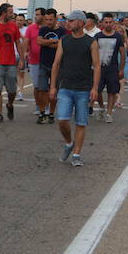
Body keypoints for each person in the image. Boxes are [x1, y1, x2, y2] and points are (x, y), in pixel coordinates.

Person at [50, 10, 100, 167]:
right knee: (62, 120)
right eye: (67, 20)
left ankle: (77, 154)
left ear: (80, 22)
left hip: (83, 88)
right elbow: (56, 64)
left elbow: (97, 66)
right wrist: (53, 86)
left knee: (80, 123)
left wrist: (95, 88)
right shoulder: (64, 40)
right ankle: (69, 143)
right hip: (65, 86)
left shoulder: (91, 42)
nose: (67, 23)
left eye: (71, 21)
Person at [0, 3, 24, 123]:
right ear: (3, 13)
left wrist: (22, 59)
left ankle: (10, 105)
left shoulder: (13, 26)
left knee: (12, 90)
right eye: (10, 12)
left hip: (11, 63)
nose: (12, 15)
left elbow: (18, 43)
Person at [36, 8, 66, 124]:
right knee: (42, 90)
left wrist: (46, 42)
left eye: (51, 19)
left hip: (57, 65)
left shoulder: (62, 31)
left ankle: (52, 113)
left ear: (56, 19)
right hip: (43, 64)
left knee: (54, 90)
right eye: (47, 19)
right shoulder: (43, 29)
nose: (49, 22)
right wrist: (53, 41)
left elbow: (61, 45)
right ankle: (42, 112)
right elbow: (39, 42)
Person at [94, 13, 125, 123]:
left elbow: (122, 53)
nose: (108, 24)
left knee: (112, 91)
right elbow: (93, 52)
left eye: (110, 22)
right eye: (106, 22)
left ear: (113, 23)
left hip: (112, 68)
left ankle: (109, 113)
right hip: (99, 68)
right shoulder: (97, 36)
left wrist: (121, 69)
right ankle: (102, 107)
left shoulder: (117, 36)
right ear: (102, 23)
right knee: (97, 91)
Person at [23, 7, 44, 116]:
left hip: (46, 62)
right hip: (34, 62)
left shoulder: (47, 28)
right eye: (35, 14)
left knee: (45, 86)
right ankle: (38, 105)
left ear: (44, 16)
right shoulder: (31, 28)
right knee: (36, 86)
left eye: (38, 14)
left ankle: (46, 106)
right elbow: (26, 42)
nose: (36, 16)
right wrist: (25, 53)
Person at [15, 13, 28, 101]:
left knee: (21, 74)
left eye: (21, 20)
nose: (19, 22)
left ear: (24, 21)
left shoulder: (26, 30)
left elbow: (27, 41)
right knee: (13, 75)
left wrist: (19, 34)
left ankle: (20, 92)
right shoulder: (12, 29)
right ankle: (15, 90)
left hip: (22, 55)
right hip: (12, 54)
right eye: (17, 20)